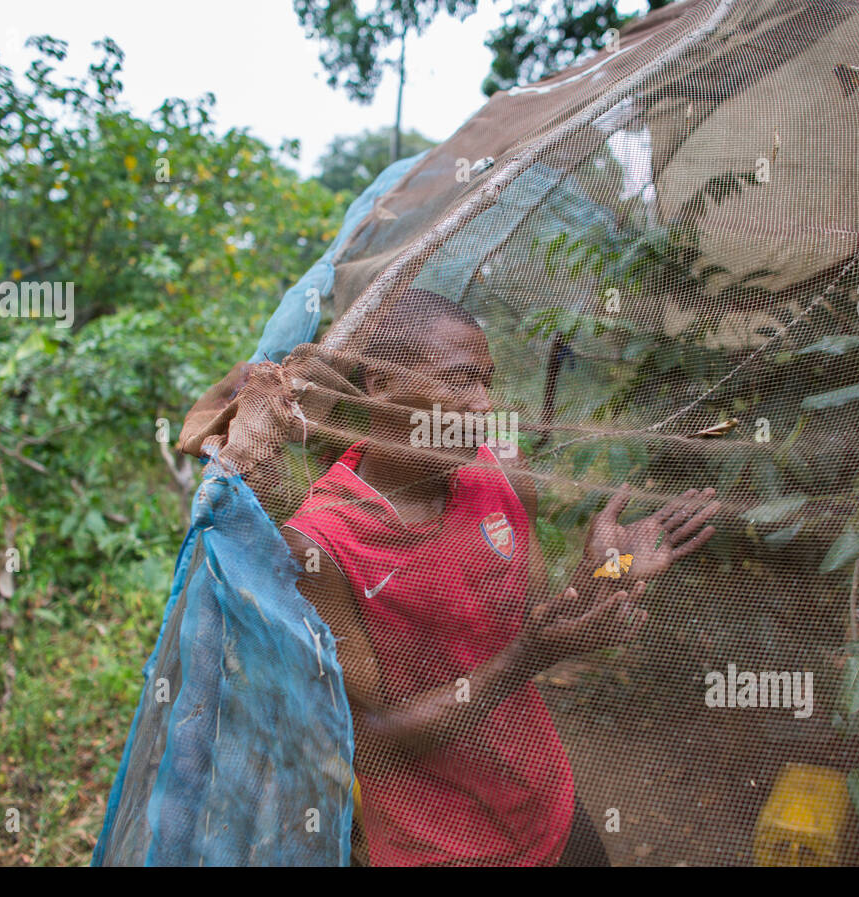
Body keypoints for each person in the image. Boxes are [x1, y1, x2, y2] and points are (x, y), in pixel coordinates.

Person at [279, 289, 719, 866]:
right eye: (460, 380)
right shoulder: (322, 542)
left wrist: (608, 570)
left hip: (547, 805)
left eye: (488, 381)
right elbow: (374, 739)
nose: (485, 405)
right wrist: (525, 658)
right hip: (442, 847)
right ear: (381, 386)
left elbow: (537, 618)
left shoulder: (503, 474)